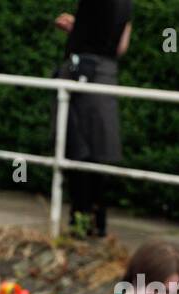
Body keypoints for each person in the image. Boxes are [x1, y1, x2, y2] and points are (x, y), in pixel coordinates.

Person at [53, 1, 133, 237]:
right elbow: (121, 47)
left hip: (82, 74)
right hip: (107, 75)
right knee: (100, 149)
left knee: (76, 146)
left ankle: (80, 220)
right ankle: (96, 223)